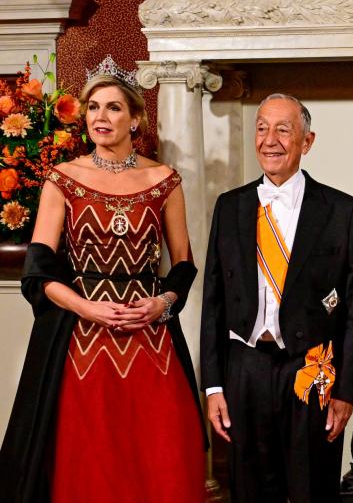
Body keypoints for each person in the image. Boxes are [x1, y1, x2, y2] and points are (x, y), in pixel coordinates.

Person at [0, 56, 206, 502]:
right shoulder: (63, 179)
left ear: (136, 118)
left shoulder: (164, 180)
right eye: (93, 107)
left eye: (113, 107)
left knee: (160, 455)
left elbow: (185, 264)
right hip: (81, 343)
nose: (100, 117)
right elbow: (37, 272)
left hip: (151, 340)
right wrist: (86, 307)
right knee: (89, 461)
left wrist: (162, 303)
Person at [200, 93, 353, 503]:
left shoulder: (342, 211)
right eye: (262, 127)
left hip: (313, 368)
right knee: (250, 488)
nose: (269, 139)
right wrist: (213, 387)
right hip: (245, 369)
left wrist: (346, 392)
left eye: (283, 129)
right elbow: (213, 302)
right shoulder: (230, 206)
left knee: (313, 486)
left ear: (306, 141)